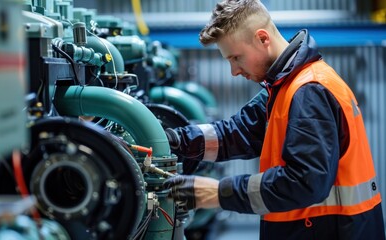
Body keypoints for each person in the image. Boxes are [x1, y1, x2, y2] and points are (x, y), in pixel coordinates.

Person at [162, 0, 386, 239]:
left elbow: (304, 182)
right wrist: (173, 140)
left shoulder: (309, 91)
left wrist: (218, 193)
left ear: (262, 38)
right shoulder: (284, 87)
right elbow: (236, 134)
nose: (234, 71)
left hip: (333, 231)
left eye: (236, 58)